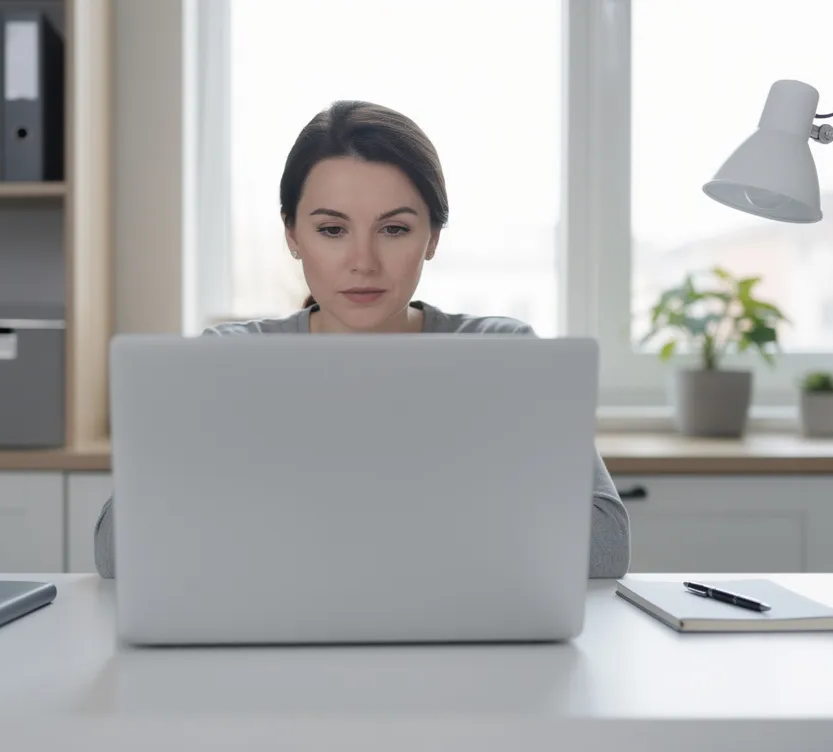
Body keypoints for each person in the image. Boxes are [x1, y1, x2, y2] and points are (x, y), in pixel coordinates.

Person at [93, 100, 631, 579]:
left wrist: (291, 525)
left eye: (394, 229)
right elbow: (118, 549)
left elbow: (605, 545)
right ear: (292, 236)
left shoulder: (504, 354)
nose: (363, 262)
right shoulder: (230, 360)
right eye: (332, 230)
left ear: (433, 238)